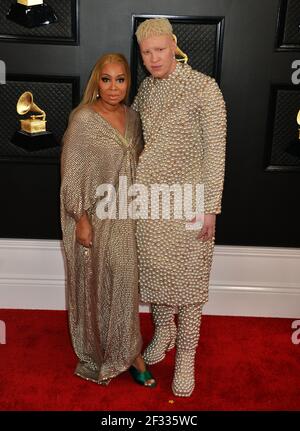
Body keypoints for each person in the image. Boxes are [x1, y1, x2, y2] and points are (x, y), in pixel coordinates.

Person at [132, 18, 227, 397]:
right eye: (146, 52)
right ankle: (162, 333)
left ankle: (186, 357)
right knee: (155, 275)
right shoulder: (145, 89)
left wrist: (210, 207)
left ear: (174, 44)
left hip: (190, 203)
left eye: (160, 49)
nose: (154, 58)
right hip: (148, 202)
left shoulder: (205, 88)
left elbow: (215, 153)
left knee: (188, 286)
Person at [60, 53, 156, 387]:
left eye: (120, 79)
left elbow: (143, 163)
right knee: (98, 285)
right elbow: (71, 175)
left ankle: (129, 351)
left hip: (129, 214)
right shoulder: (84, 119)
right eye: (106, 79)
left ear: (128, 83)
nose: (113, 87)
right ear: (96, 83)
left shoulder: (133, 118)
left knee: (125, 284)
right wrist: (81, 219)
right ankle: (104, 350)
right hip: (96, 216)